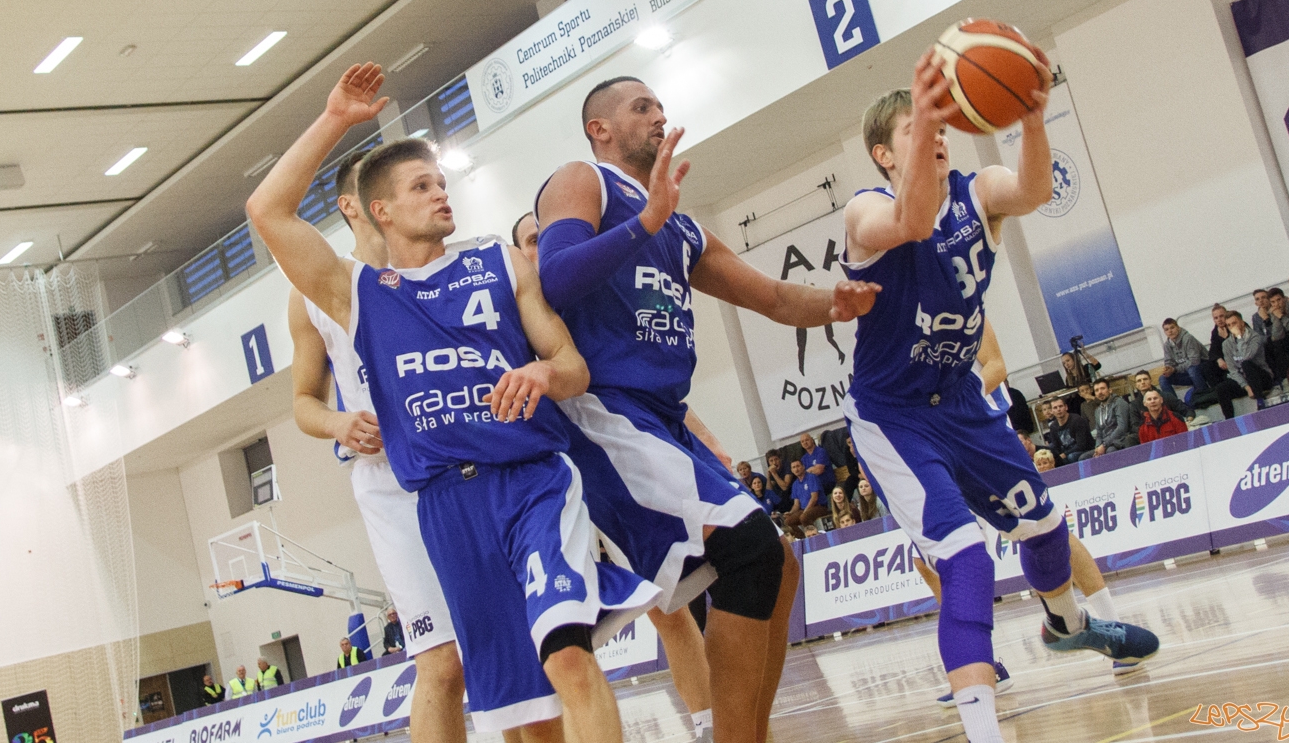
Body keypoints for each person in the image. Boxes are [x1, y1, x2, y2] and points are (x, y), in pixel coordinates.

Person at [249, 64, 662, 743]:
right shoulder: (359, 295)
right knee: (522, 707)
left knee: (568, 656)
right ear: (379, 211)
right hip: (445, 505)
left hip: (530, 482)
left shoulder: (500, 262)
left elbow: (573, 367)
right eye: (422, 186)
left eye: (441, 182)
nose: (441, 193)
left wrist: (541, 374)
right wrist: (334, 120)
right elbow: (267, 211)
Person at [534, 76, 876, 743]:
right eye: (642, 107)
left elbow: (773, 297)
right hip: (604, 415)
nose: (659, 116)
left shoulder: (681, 226)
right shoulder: (583, 181)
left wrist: (835, 303)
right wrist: (645, 221)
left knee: (781, 565)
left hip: (663, 418)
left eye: (661, 106)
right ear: (600, 129)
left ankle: (749, 732)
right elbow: (556, 277)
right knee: (751, 550)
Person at [839, 55, 1156, 743]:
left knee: (1045, 527)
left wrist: (1032, 120)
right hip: (893, 415)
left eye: (941, 126)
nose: (937, 135)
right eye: (918, 129)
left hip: (959, 398)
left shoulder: (977, 191)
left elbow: (1035, 188)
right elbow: (911, 221)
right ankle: (986, 728)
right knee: (966, 560)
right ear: (883, 154)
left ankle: (1068, 625)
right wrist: (928, 114)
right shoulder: (865, 210)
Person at [286, 148, 488, 743]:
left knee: (502, 646)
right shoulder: (315, 292)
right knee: (441, 664)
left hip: (465, 468)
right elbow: (302, 402)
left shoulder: (452, 267)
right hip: (390, 485)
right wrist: (337, 424)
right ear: (356, 206)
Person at [1216, 310, 1272, 414]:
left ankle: (1260, 402)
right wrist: (1246, 387)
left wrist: (1239, 337)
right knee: (1221, 388)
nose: (1232, 327)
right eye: (1229, 325)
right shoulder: (1226, 344)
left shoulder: (1255, 337)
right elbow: (1232, 370)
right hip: (1245, 380)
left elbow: (1247, 356)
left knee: (1246, 364)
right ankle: (1230, 420)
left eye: (1234, 323)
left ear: (1242, 323)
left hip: (1261, 377)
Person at [1159, 318, 1209, 405]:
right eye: (1166, 329)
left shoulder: (1188, 338)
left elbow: (1195, 361)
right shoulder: (1167, 345)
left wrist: (1175, 369)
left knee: (1192, 369)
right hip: (1186, 372)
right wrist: (1168, 369)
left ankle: (1204, 396)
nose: (1170, 331)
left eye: (1172, 327)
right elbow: (1169, 361)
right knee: (1163, 378)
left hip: (1203, 369)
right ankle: (1175, 405)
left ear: (1178, 328)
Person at [1252, 288, 1289, 379]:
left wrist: (1269, 319)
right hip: (1274, 341)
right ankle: (1279, 379)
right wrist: (1268, 321)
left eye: (1263, 297)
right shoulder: (1256, 316)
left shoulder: (1288, 306)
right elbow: (1259, 337)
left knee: (1276, 345)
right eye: (1257, 299)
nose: (1261, 301)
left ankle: (1285, 377)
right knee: (1268, 347)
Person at [782, 458, 827, 537]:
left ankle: (813, 537)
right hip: (804, 510)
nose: (796, 469)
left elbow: (814, 498)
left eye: (798, 466)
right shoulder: (795, 484)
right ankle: (802, 538)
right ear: (792, 470)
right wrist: (791, 513)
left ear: (803, 467)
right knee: (788, 521)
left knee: (804, 517)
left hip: (819, 507)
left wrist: (805, 511)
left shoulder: (811, 477)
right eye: (794, 467)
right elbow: (796, 504)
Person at [1086, 380, 1132, 457]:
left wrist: (1104, 445)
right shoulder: (1097, 411)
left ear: (1110, 390)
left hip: (1120, 441)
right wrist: (1098, 447)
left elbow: (1122, 428)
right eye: (1096, 390)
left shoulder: (1119, 403)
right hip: (1105, 444)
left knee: (1110, 451)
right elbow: (1099, 432)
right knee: (1083, 458)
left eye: (1102, 388)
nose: (1100, 392)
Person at [1044, 396, 1093, 465]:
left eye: (1060, 406)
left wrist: (1065, 454)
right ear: (1052, 411)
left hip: (1085, 450)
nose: (1058, 409)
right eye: (1055, 408)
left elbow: (1081, 445)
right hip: (1067, 452)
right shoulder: (1053, 427)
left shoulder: (1077, 420)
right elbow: (1056, 447)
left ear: (1066, 407)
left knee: (1071, 457)